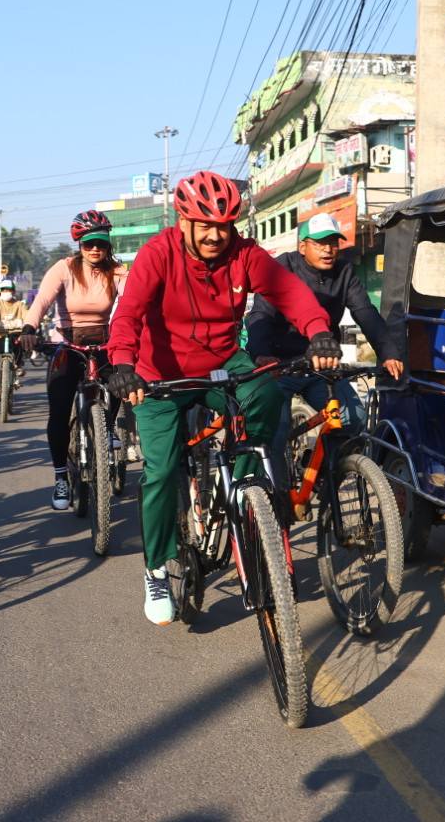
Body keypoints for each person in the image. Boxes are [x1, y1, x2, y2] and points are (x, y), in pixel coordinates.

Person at [104, 171, 337, 625]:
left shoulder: (245, 254)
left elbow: (290, 293)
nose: (215, 236)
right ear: (183, 220)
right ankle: (155, 568)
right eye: (204, 225)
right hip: (157, 375)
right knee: (161, 470)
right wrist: (123, 365)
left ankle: (247, 497)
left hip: (222, 362)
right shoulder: (158, 253)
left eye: (225, 225)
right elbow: (129, 312)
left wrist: (320, 332)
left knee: (266, 393)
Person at [245, 211, 404, 459]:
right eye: (319, 243)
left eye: (333, 242)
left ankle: (324, 473)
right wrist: (262, 355)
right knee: (276, 430)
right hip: (278, 366)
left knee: (354, 418)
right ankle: (278, 494)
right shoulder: (282, 267)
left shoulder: (345, 272)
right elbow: (260, 315)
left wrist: (388, 353)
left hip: (321, 364)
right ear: (302, 246)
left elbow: (365, 312)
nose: (328, 250)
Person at [20, 210, 121, 510]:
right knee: (59, 409)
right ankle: (61, 476)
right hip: (68, 346)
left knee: (120, 378)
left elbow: (131, 304)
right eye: (89, 244)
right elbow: (41, 301)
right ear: (79, 243)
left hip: (104, 345)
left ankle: (109, 426)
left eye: (100, 244)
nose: (95, 250)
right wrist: (29, 327)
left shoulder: (117, 271)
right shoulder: (63, 269)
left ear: (107, 245)